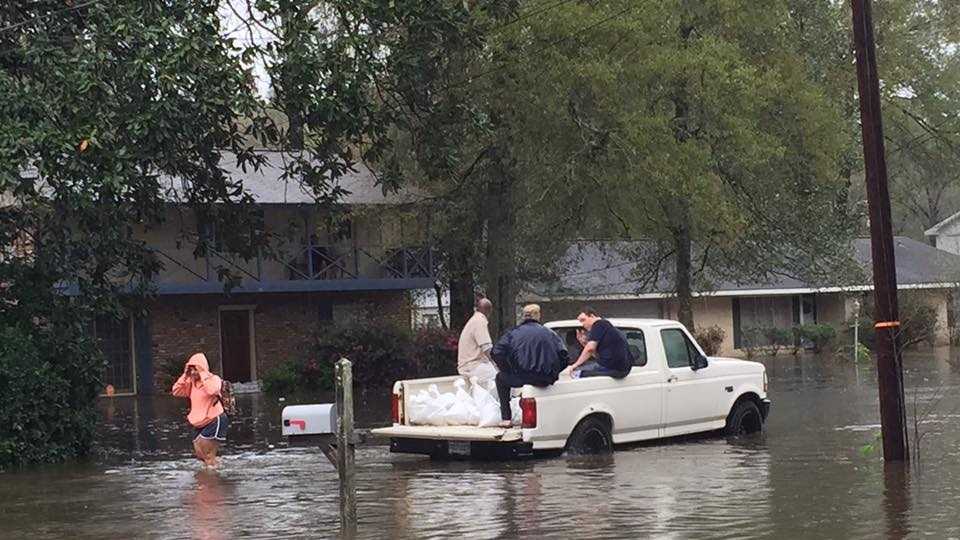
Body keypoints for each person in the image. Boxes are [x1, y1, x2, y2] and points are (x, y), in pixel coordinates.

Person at [491, 304, 569, 427]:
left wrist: (509, 369)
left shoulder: (513, 333)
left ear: (523, 317)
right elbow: (564, 357)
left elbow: (496, 352)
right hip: (545, 378)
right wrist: (554, 372)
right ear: (538, 316)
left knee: (500, 379)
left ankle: (506, 418)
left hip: (521, 375)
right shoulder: (551, 334)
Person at [172, 352, 229, 468]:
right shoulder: (191, 383)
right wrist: (185, 375)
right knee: (200, 454)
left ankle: (211, 479)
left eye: (195, 369)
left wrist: (203, 374)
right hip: (199, 422)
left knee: (207, 454)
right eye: (191, 369)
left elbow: (212, 390)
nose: (193, 372)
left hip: (214, 419)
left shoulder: (213, 379)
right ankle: (215, 470)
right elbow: (176, 391)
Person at [564, 307, 632, 379]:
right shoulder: (605, 327)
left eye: (583, 320)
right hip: (619, 370)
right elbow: (597, 355)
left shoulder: (599, 324)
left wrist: (574, 365)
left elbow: (590, 349)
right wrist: (584, 343)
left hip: (613, 369)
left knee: (574, 373)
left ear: (592, 316)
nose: (582, 324)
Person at [457, 297, 497, 380]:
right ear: (489, 311)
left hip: (468, 365)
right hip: (474, 365)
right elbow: (486, 348)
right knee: (501, 378)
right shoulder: (480, 321)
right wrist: (497, 363)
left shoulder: (474, 320)